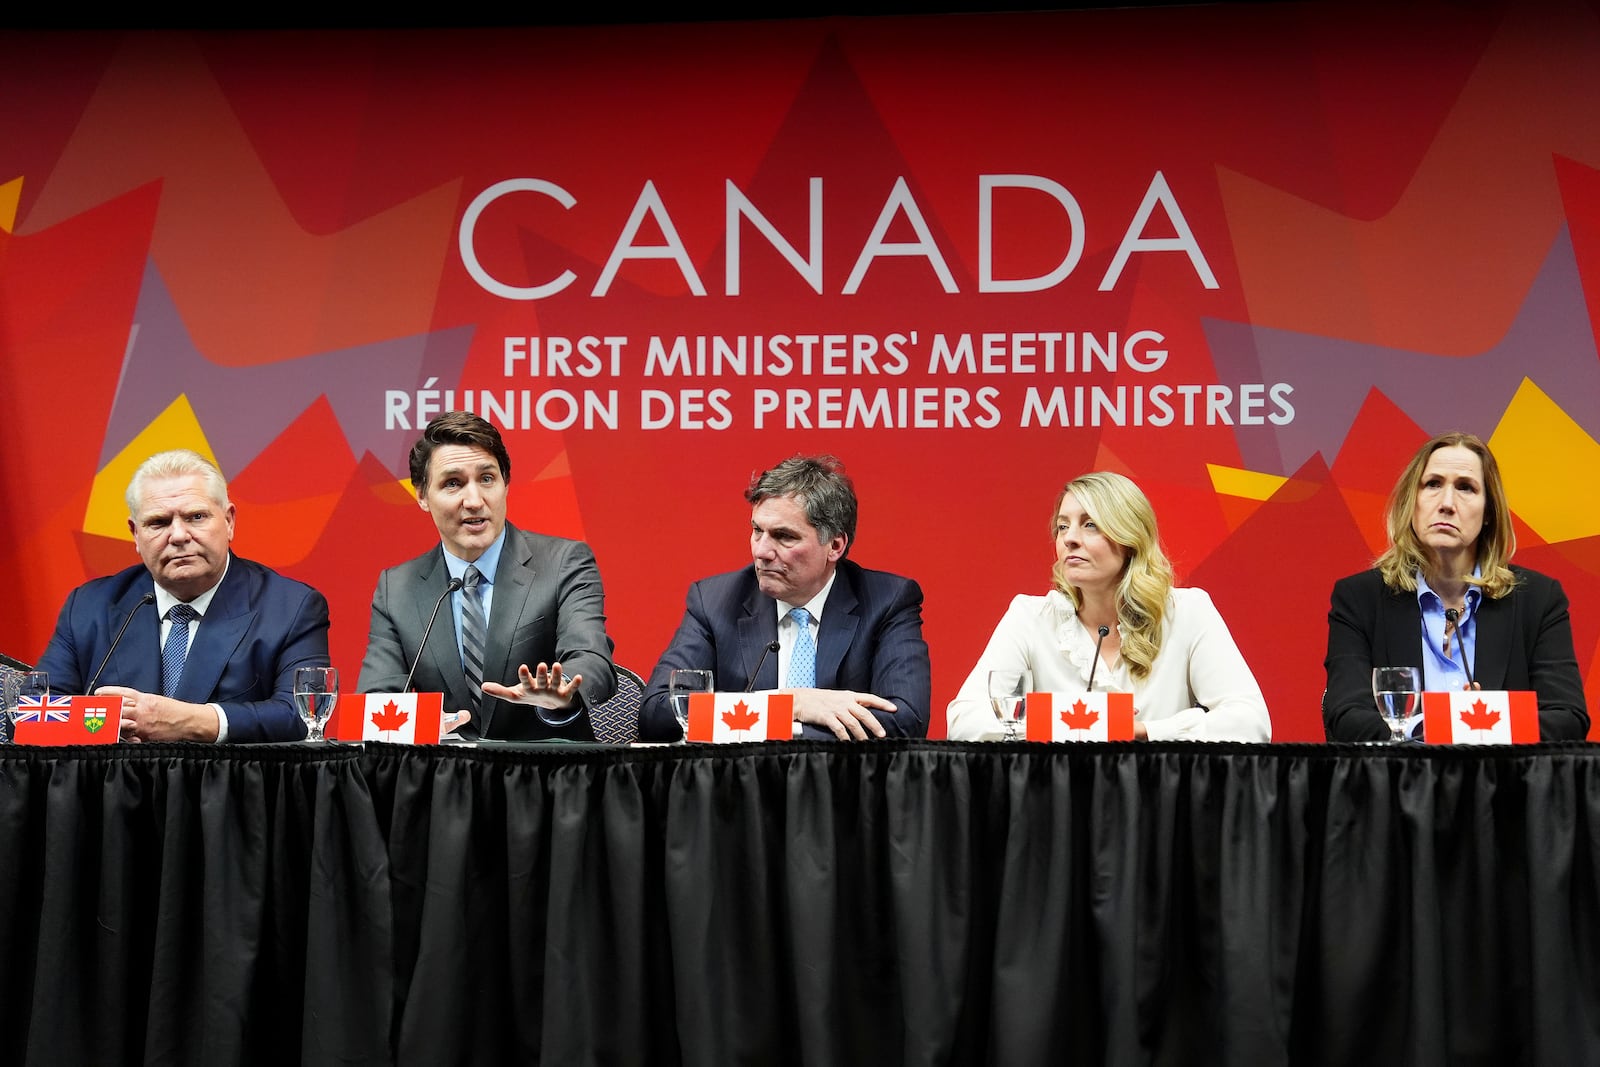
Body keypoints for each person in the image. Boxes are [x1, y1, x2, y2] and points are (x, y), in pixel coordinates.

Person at [946, 471, 1270, 741]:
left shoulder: (1186, 612)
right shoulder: (1030, 618)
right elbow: (964, 721)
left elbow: (1251, 722)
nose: (1070, 538)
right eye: (1062, 526)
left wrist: (1145, 731)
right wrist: (1069, 723)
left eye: (1090, 525)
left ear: (1130, 539)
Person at [35, 450, 330, 742]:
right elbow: (34, 715)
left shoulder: (291, 608)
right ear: (135, 534)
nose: (178, 536)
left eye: (196, 517)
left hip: (231, 785)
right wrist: (108, 724)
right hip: (118, 786)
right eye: (159, 523)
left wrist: (191, 722)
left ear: (228, 521)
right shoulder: (89, 607)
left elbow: (304, 716)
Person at [357, 411, 617, 741]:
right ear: (421, 495)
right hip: (446, 778)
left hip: (547, 775)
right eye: (453, 483)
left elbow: (593, 660)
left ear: (505, 483)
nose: (475, 500)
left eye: (487, 479)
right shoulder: (397, 589)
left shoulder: (565, 562)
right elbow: (378, 700)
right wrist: (417, 726)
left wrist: (563, 690)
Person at [639, 455, 930, 742]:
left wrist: (761, 724)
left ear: (835, 546)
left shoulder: (886, 602)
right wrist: (790, 704)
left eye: (784, 536)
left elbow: (904, 721)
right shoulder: (715, 602)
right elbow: (660, 714)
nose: (761, 551)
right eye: (757, 531)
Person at [1323, 431, 1589, 742]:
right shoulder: (1360, 599)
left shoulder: (1538, 600)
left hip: (1501, 786)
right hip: (1399, 785)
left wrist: (1490, 723)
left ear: (1488, 512)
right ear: (1413, 501)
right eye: (1433, 484)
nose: (1447, 503)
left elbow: (1568, 718)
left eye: (1465, 488)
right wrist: (1444, 727)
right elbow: (1345, 717)